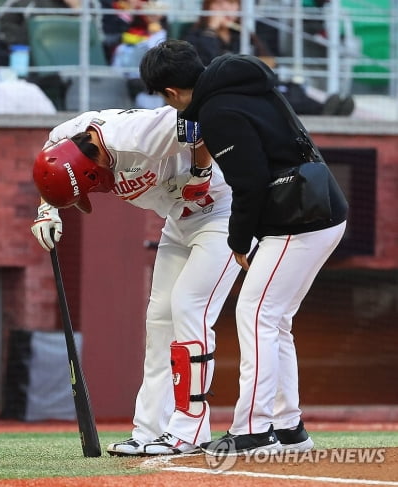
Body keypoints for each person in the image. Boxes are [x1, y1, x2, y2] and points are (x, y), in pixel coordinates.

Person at [139, 39, 348, 455]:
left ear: (170, 93)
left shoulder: (217, 111)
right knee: (275, 319)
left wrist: (238, 239)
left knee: (257, 313)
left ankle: (253, 430)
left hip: (299, 220)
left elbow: (248, 183)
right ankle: (289, 429)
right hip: (319, 209)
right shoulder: (243, 83)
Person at [30, 106, 242, 456]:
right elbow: (48, 158)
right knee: (159, 321)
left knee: (188, 308)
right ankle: (149, 431)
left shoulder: (138, 133)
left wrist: (202, 169)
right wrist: (47, 209)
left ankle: (191, 429)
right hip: (179, 219)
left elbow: (201, 120)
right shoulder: (67, 137)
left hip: (221, 211)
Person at [180, 0, 354, 116]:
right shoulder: (196, 36)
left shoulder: (244, 36)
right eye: (220, 4)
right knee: (275, 97)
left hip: (252, 85)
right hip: (226, 93)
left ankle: (327, 107)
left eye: (233, 4)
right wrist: (210, 31)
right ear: (208, 8)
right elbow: (209, 65)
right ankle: (323, 110)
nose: (228, 10)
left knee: (290, 87)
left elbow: (269, 61)